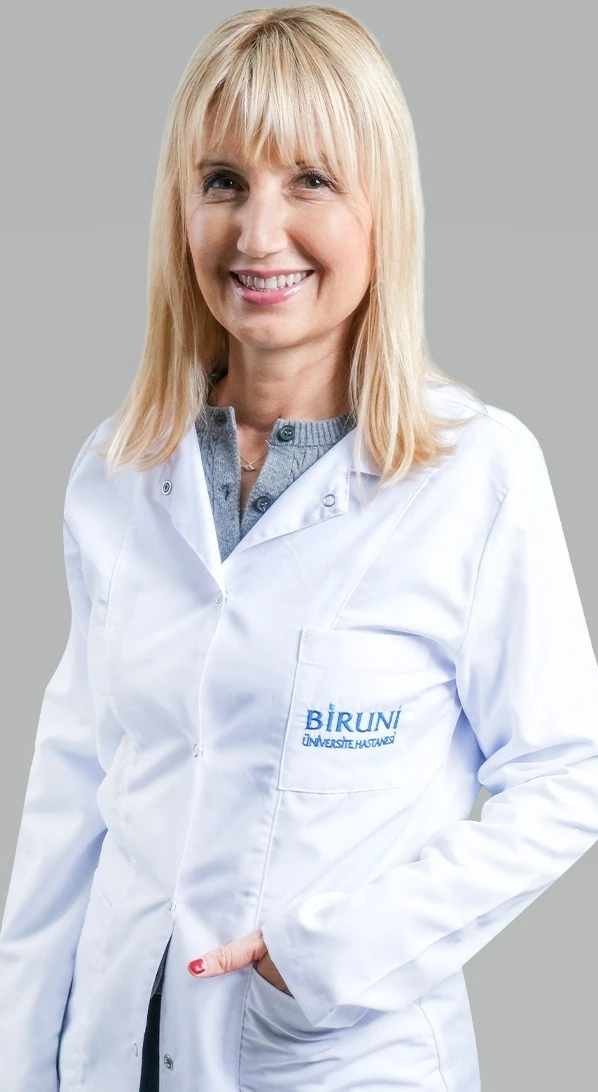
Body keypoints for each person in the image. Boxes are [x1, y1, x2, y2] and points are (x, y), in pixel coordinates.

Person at [1, 6, 597, 1091]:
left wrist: (330, 956)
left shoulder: (477, 474)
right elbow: (72, 791)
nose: (257, 233)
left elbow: (568, 775)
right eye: (223, 181)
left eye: (311, 180)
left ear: (383, 208)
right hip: (115, 1051)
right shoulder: (118, 470)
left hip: (332, 1056)